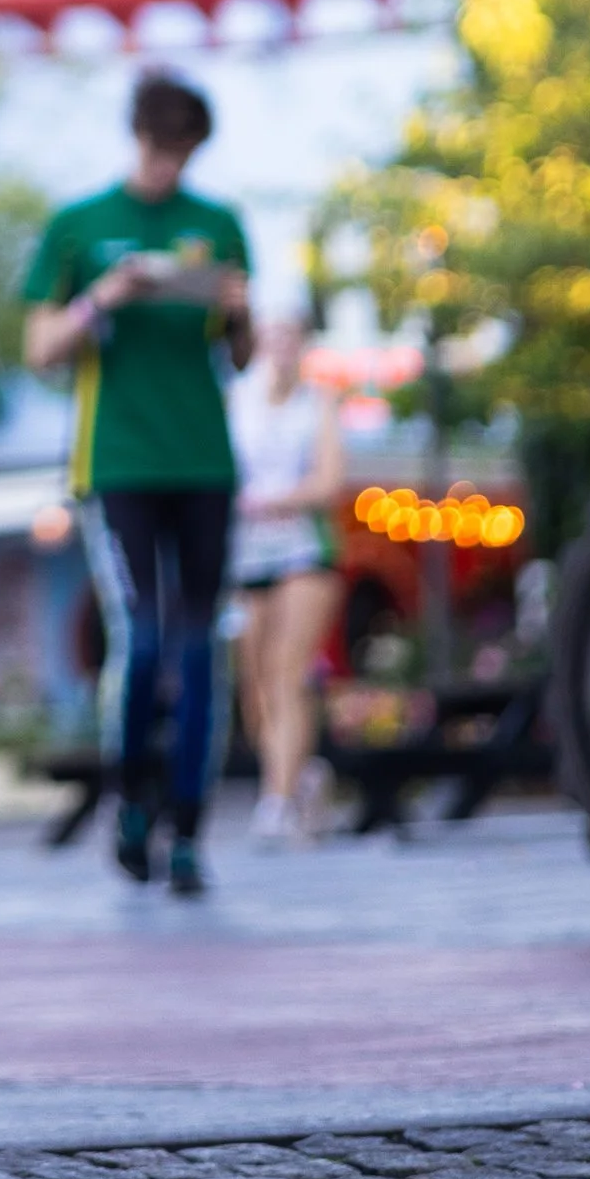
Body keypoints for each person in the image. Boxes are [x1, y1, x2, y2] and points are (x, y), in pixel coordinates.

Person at [24, 73, 253, 896]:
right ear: (137, 138)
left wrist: (236, 306)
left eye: (182, 152)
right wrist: (102, 298)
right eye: (159, 149)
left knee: (200, 651)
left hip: (203, 462)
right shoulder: (81, 226)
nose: (167, 166)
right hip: (115, 464)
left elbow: (243, 354)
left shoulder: (219, 224)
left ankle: (187, 828)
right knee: (143, 638)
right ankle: (131, 801)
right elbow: (40, 346)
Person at [229, 315, 345, 843]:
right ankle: (302, 772)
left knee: (286, 672)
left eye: (289, 335)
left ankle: (275, 800)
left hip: (303, 550)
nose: (279, 345)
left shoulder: (317, 403)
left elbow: (328, 481)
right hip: (247, 557)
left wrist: (275, 501)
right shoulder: (236, 400)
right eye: (271, 334)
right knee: (254, 687)